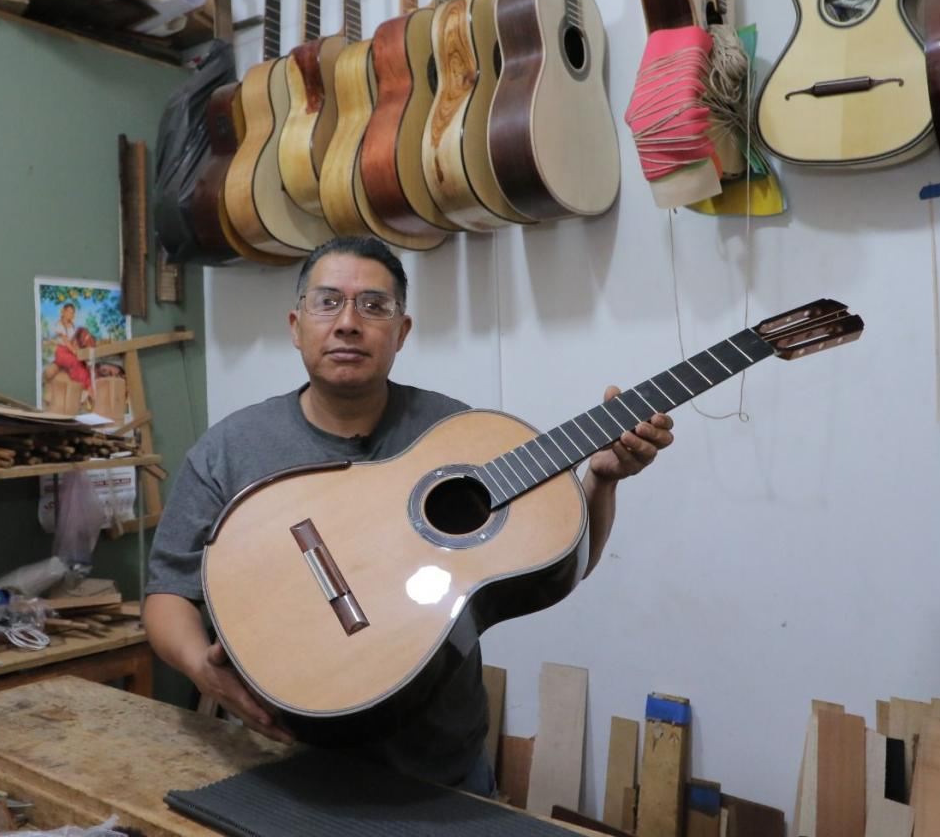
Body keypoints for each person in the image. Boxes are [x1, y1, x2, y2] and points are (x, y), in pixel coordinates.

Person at [144, 236, 675, 797]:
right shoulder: (229, 448)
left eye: (374, 306)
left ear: (402, 333)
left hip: (442, 770)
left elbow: (558, 559)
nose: (349, 322)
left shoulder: (459, 436)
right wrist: (203, 671)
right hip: (272, 769)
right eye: (329, 302)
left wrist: (602, 479)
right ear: (295, 324)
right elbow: (166, 596)